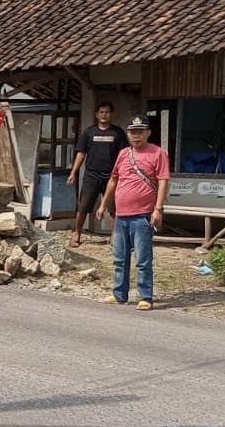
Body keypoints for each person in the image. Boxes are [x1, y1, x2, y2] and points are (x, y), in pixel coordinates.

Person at [96, 114, 170, 310]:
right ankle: (119, 294)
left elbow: (163, 181)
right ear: (128, 134)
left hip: (143, 215)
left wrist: (158, 209)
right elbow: (113, 180)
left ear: (148, 133)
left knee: (143, 259)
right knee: (119, 258)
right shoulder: (123, 154)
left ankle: (145, 296)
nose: (136, 136)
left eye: (140, 132)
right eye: (132, 132)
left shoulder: (158, 153)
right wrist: (104, 205)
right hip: (121, 215)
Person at [66, 101, 128, 247]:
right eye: (101, 112)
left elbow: (124, 155)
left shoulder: (118, 133)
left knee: (114, 208)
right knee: (83, 207)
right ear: (96, 115)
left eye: (107, 112)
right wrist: (73, 172)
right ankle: (77, 234)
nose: (104, 115)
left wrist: (123, 174)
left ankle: (114, 237)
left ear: (111, 114)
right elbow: (81, 153)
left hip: (112, 177)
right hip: (91, 176)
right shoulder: (89, 132)